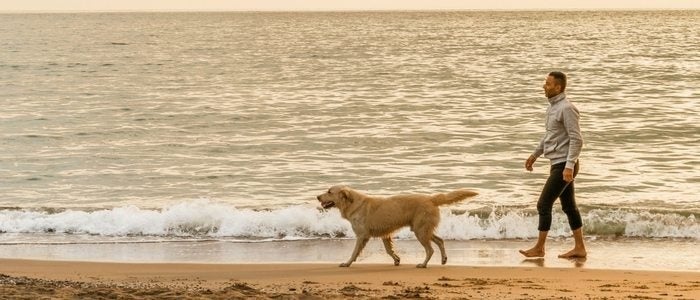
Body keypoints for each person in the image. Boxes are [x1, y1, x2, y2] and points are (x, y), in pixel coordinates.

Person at [519, 71, 587, 259]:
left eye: (548, 84)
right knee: (569, 207)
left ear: (558, 87)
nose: (544, 86)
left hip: (565, 164)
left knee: (543, 204)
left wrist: (569, 166)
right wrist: (535, 154)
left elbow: (577, 139)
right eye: (545, 83)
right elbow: (550, 136)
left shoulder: (567, 108)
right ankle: (580, 248)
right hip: (558, 162)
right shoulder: (552, 109)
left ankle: (540, 248)